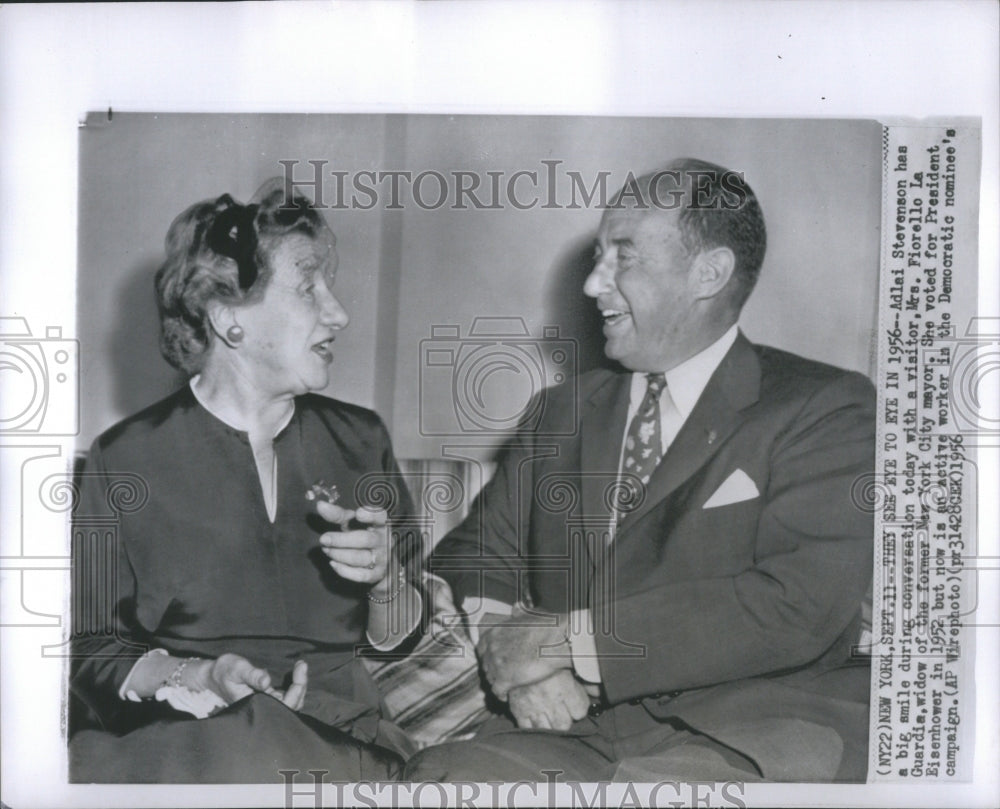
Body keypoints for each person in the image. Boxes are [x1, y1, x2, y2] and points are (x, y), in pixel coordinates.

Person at [407, 158, 876, 783]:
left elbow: (798, 605)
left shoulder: (825, 406)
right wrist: (514, 660)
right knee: (435, 782)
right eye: (598, 255)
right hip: (573, 729)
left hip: (753, 729)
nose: (593, 284)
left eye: (623, 257)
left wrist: (571, 645)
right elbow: (474, 554)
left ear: (708, 273)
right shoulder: (561, 412)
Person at [69, 180, 422, 782]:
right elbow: (89, 650)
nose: (339, 312)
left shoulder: (362, 441)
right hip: (188, 738)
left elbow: (399, 641)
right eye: (309, 287)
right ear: (230, 318)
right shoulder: (124, 457)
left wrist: (387, 580)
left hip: (341, 736)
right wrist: (194, 677)